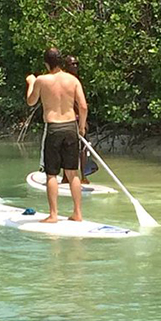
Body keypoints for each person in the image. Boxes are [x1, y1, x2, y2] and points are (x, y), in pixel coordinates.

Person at [26, 47, 88, 222]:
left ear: (46, 63)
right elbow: (83, 107)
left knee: (51, 174)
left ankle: (53, 214)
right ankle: (77, 213)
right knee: (72, 173)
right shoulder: (73, 80)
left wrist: (31, 82)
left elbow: (31, 101)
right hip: (71, 128)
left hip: (53, 128)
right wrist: (81, 128)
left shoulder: (41, 80)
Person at [61, 54, 98, 184]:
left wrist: (83, 122)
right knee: (66, 149)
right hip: (67, 119)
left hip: (78, 119)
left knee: (83, 149)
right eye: (72, 64)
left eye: (77, 64)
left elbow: (82, 105)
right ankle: (66, 177)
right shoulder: (64, 82)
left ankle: (84, 177)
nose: (75, 66)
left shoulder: (78, 81)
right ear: (66, 66)